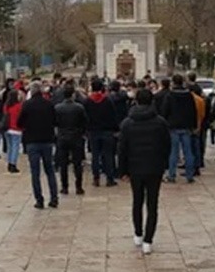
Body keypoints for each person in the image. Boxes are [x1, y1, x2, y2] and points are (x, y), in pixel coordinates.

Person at [118, 89, 170, 255]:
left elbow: (122, 149)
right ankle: (148, 240)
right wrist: (164, 165)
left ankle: (138, 234)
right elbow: (166, 146)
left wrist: (123, 170)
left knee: (137, 201)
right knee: (152, 204)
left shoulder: (127, 123)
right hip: (154, 168)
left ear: (136, 101)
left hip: (135, 168)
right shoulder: (160, 122)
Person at [18, 81, 59, 209]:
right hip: (47, 140)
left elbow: (20, 122)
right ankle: (54, 198)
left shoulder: (27, 105)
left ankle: (39, 199)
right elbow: (55, 121)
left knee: (35, 172)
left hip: (32, 141)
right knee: (50, 170)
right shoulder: (49, 104)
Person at [161, 74, 198, 183]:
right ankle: (190, 175)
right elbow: (193, 111)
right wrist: (194, 125)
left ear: (173, 82)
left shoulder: (169, 95)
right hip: (186, 126)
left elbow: (165, 111)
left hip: (173, 126)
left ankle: (172, 175)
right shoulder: (189, 95)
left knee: (173, 152)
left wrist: (164, 123)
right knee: (188, 152)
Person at [84, 79, 119, 187]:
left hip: (93, 132)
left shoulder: (87, 101)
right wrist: (115, 129)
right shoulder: (107, 100)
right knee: (107, 155)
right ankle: (109, 178)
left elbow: (85, 117)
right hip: (107, 131)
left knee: (95, 156)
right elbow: (113, 116)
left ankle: (96, 178)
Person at [55, 83, 88, 195]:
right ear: (73, 95)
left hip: (63, 136)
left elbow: (55, 122)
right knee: (77, 163)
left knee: (63, 163)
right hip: (76, 136)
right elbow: (85, 122)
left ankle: (64, 187)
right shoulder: (79, 107)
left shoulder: (58, 108)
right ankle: (79, 186)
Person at [3, 89, 24, 174]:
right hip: (16, 129)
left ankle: (9, 162)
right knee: (15, 147)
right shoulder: (19, 106)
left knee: (10, 147)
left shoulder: (6, 106)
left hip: (7, 128)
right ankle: (13, 164)